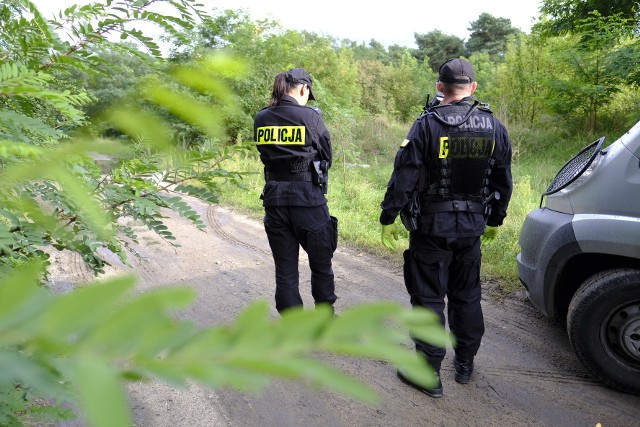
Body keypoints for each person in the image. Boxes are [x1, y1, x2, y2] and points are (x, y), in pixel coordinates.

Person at [379, 58, 513, 398]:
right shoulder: (494, 125)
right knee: (466, 296)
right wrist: (495, 218)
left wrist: (388, 216)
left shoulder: (426, 124)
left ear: (440, 87)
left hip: (431, 227)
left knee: (428, 299)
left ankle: (428, 373)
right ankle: (465, 364)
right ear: (473, 88)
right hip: (471, 227)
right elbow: (502, 178)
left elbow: (405, 176)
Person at [254, 67, 338, 315]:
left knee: (285, 268)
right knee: (321, 264)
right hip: (308, 201)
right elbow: (326, 157)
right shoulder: (310, 117)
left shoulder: (262, 118)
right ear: (304, 89)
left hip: (275, 200)